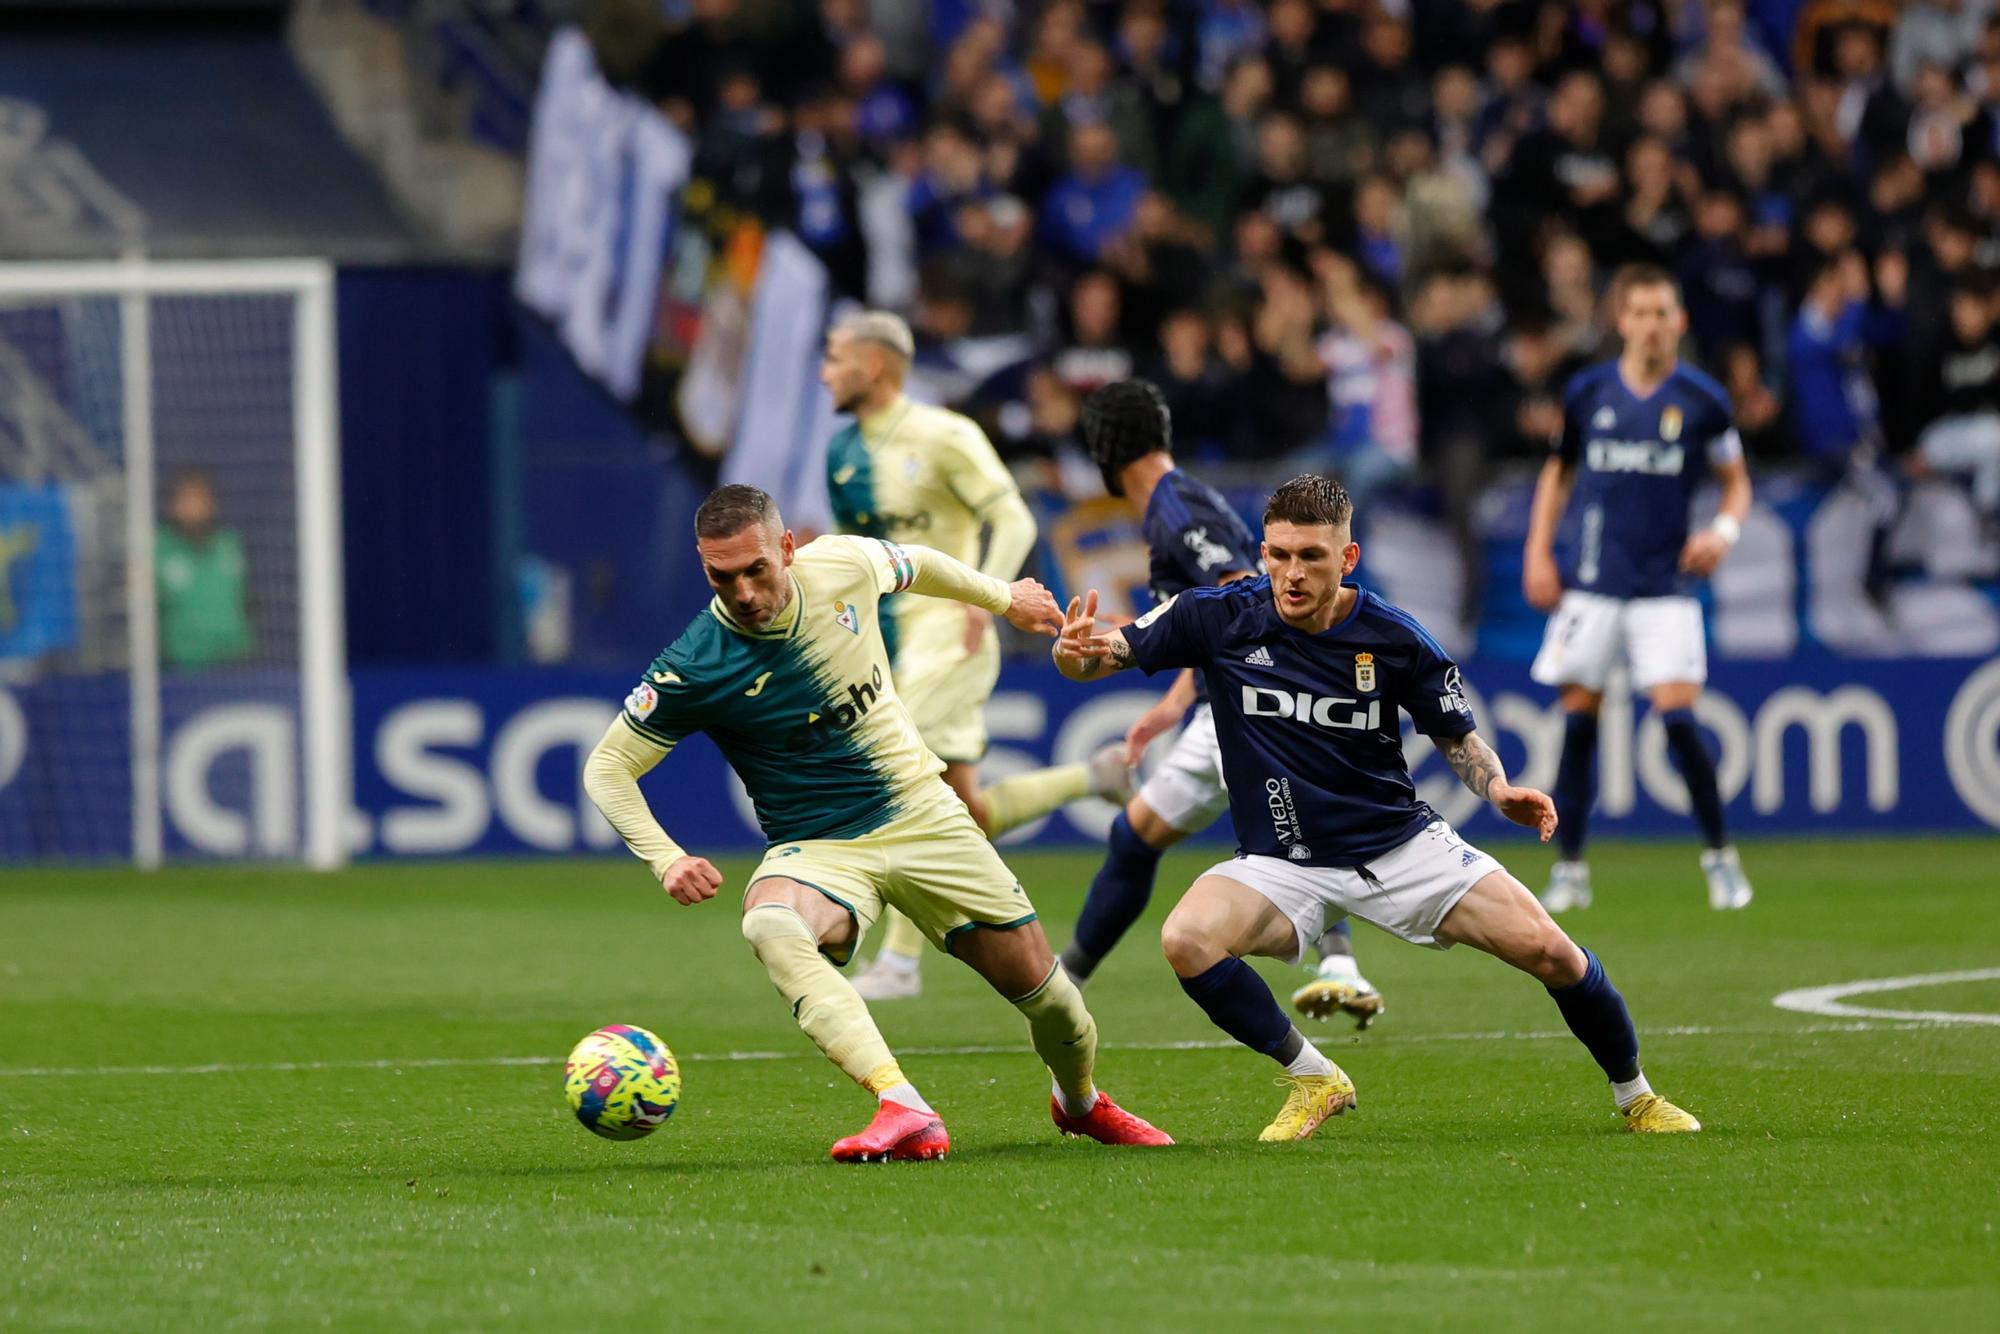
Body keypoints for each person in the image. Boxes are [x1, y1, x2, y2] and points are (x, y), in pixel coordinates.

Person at [1052, 474, 1701, 1141]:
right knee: (1186, 939)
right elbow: (1104, 654)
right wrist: (1072, 653)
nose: (1292, 574)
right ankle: (1315, 1077)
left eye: (1312, 556)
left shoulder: (1394, 637)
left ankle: (1639, 1098)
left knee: (1552, 952)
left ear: (1348, 558)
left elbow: (1458, 739)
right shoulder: (1215, 615)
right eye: (1280, 555)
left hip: (1397, 847)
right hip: (1282, 862)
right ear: (1263, 552)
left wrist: (1498, 789)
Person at [582, 485, 1171, 1162]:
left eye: (755, 570)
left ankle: (1080, 1102)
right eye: (722, 576)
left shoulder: (843, 564)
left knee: (1052, 1000)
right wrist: (667, 858)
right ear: (703, 566)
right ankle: (903, 1104)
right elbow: (608, 768)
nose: (742, 592)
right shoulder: (694, 664)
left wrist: (1005, 598)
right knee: (770, 923)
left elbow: (919, 563)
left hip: (922, 813)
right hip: (819, 846)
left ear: (787, 548)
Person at [819, 311, 1131, 1001]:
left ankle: (899, 961)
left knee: (896, 775)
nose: (824, 371)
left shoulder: (945, 434)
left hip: (950, 634)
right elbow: (853, 553)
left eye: (835, 358)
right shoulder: (841, 450)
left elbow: (1012, 514)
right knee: (968, 810)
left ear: (875, 365)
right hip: (883, 639)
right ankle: (1097, 774)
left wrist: (986, 597)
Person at [1059, 379, 1384, 1029]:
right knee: (1139, 835)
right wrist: (1173, 699)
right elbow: (1204, 619)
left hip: (1248, 705)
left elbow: (1242, 595)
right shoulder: (1177, 502)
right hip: (1221, 704)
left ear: (1104, 450)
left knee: (1288, 834)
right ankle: (1062, 986)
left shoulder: (1179, 512)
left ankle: (1343, 966)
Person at [1522, 264, 1756, 914]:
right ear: (1622, 320)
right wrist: (1538, 552)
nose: (1653, 325)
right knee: (1578, 726)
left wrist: (1723, 533)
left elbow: (1737, 480)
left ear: (1680, 321)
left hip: (1665, 586)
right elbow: (1557, 474)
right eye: (1642, 312)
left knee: (1678, 721)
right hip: (1592, 584)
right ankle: (1570, 869)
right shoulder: (1587, 391)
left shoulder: (1703, 400)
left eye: (1663, 313)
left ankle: (1720, 858)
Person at [156, 469, 253, 670]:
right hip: (183, 668)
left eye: (200, 499)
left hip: (236, 662)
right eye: (187, 499)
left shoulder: (228, 544)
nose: (194, 508)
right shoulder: (157, 547)